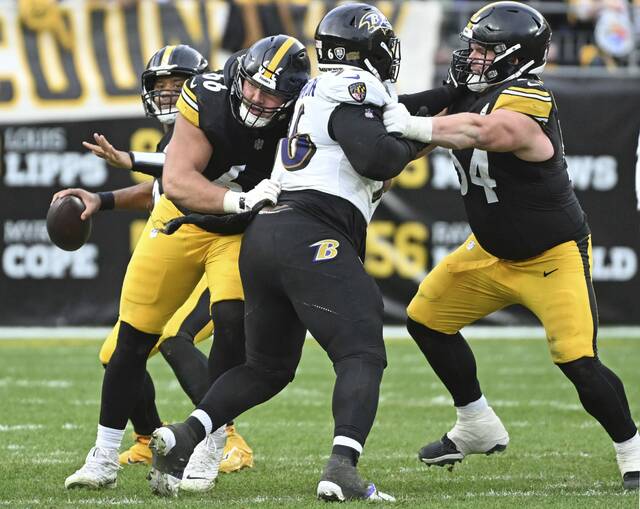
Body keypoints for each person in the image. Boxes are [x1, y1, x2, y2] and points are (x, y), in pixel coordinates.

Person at [147, 3, 419, 501]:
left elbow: (371, 127)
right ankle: (342, 466)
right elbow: (377, 153)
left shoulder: (312, 93)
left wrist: (429, 113)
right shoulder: (355, 87)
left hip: (265, 235)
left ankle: (185, 436)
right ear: (370, 53)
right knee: (361, 350)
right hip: (312, 233)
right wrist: (412, 135)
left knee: (267, 368)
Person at [383, 1, 640, 491]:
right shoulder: (459, 94)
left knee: (577, 360)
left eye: (485, 49)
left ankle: (633, 449)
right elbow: (408, 116)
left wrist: (416, 126)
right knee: (426, 321)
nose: (472, 56)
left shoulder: (529, 97)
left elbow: (489, 131)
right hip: (488, 252)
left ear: (515, 55)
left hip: (550, 255)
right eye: (472, 46)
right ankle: (476, 424)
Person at [63, 35, 307, 490]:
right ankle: (103, 457)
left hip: (236, 235)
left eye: (271, 93)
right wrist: (240, 199)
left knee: (230, 321)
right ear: (237, 77)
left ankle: (212, 444)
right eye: (253, 86)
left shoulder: (302, 112)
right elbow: (174, 182)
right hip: (181, 222)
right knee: (131, 338)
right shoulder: (207, 97)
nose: (258, 98)